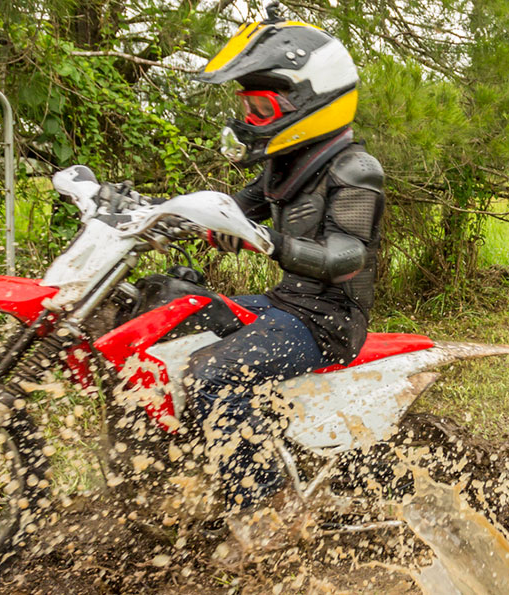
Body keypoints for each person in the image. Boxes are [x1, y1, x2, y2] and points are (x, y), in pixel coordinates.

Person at [164, 2, 385, 513]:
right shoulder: (286, 163)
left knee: (210, 374)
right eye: (248, 110)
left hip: (328, 320)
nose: (251, 120)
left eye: (261, 109)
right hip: (286, 303)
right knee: (173, 315)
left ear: (315, 99)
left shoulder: (355, 169)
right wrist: (155, 218)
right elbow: (232, 210)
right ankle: (200, 471)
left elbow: (345, 257)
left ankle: (267, 511)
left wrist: (264, 241)